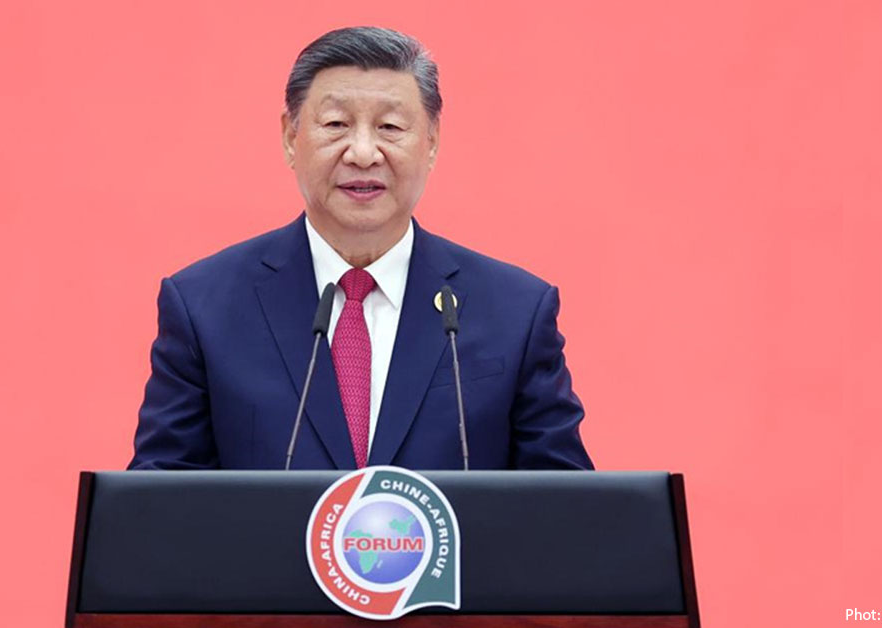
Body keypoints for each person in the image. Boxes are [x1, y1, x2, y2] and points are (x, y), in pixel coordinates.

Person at [128, 26, 593, 470]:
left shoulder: (516, 311)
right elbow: (159, 496)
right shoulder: (204, 307)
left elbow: (564, 504)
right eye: (336, 124)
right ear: (291, 137)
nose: (364, 153)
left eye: (390, 127)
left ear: (431, 142)